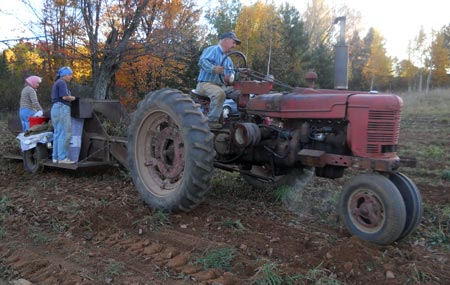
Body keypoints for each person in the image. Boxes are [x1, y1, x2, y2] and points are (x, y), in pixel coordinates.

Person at [196, 31, 241, 129]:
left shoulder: (228, 60)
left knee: (241, 94)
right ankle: (211, 122)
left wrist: (231, 77)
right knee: (219, 94)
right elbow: (202, 62)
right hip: (205, 84)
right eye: (233, 42)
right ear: (225, 40)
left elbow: (231, 75)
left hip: (222, 86)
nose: (234, 46)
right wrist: (213, 68)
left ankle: (242, 120)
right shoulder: (213, 50)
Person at [50, 66, 76, 164]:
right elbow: (65, 97)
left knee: (57, 133)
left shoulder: (57, 83)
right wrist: (74, 98)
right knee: (64, 133)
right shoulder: (61, 82)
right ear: (64, 75)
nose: (71, 76)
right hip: (62, 108)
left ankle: (55, 157)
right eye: (69, 74)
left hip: (55, 109)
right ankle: (62, 158)